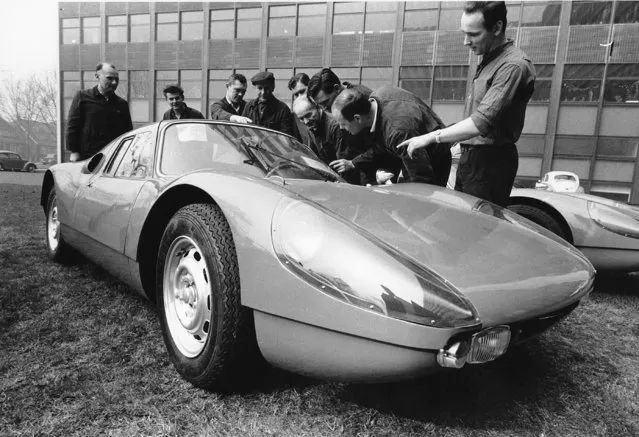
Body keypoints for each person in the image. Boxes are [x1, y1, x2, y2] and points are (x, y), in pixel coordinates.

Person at [397, 1, 535, 207]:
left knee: (479, 229)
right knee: (464, 224)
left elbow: (480, 123)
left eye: (473, 34)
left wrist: (431, 138)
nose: (465, 42)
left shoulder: (512, 66)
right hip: (473, 159)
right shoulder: (490, 59)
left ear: (497, 28)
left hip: (489, 163)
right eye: (464, 33)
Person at [331, 86, 451, 186]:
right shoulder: (377, 97)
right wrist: (354, 163)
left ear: (357, 118)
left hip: (434, 155)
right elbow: (380, 145)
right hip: (416, 139)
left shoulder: (397, 130)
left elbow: (422, 178)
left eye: (343, 124)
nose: (342, 128)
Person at [307, 68, 389, 185]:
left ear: (337, 88)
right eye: (319, 106)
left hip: (377, 169)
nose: (325, 109)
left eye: (326, 103)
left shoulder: (360, 98)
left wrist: (354, 163)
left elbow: (381, 146)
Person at [65, 62, 133, 161]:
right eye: (109, 78)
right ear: (97, 76)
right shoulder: (82, 97)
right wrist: (74, 151)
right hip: (87, 157)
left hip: (113, 158)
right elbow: (72, 127)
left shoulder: (122, 104)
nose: (114, 82)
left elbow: (127, 132)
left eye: (116, 79)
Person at [292, 96, 363, 185]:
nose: (305, 121)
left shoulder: (335, 126)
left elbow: (342, 163)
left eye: (308, 115)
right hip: (330, 176)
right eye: (301, 119)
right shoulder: (311, 124)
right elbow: (313, 155)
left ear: (318, 107)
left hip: (347, 179)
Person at [242, 71, 295, 137]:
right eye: (260, 88)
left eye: (266, 88)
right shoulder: (249, 106)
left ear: (273, 87)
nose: (263, 92)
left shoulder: (283, 109)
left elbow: (286, 137)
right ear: (255, 88)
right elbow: (242, 131)